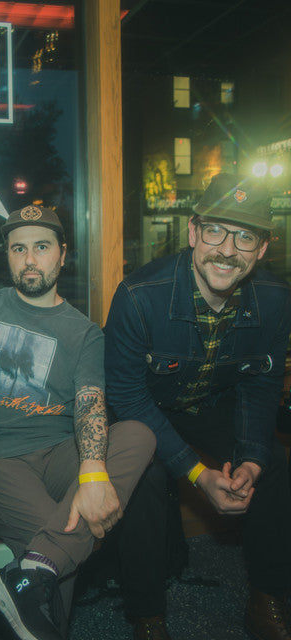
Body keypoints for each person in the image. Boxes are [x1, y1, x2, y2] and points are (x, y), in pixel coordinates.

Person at [0, 204, 156, 640]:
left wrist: (93, 473)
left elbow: (90, 402)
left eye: (42, 247)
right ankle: (39, 575)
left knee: (138, 434)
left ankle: (25, 576)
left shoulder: (84, 332)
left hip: (62, 451)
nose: (30, 259)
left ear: (62, 255)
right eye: (19, 249)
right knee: (57, 535)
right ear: (7, 255)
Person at [104, 173, 291, 640]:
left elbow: (261, 384)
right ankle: (148, 616)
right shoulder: (138, 296)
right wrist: (196, 473)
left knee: (274, 465)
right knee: (144, 476)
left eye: (245, 236)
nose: (227, 250)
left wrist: (251, 458)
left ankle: (267, 597)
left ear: (262, 249)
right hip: (142, 408)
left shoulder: (276, 301)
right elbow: (126, 395)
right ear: (192, 232)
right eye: (215, 231)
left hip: (207, 403)